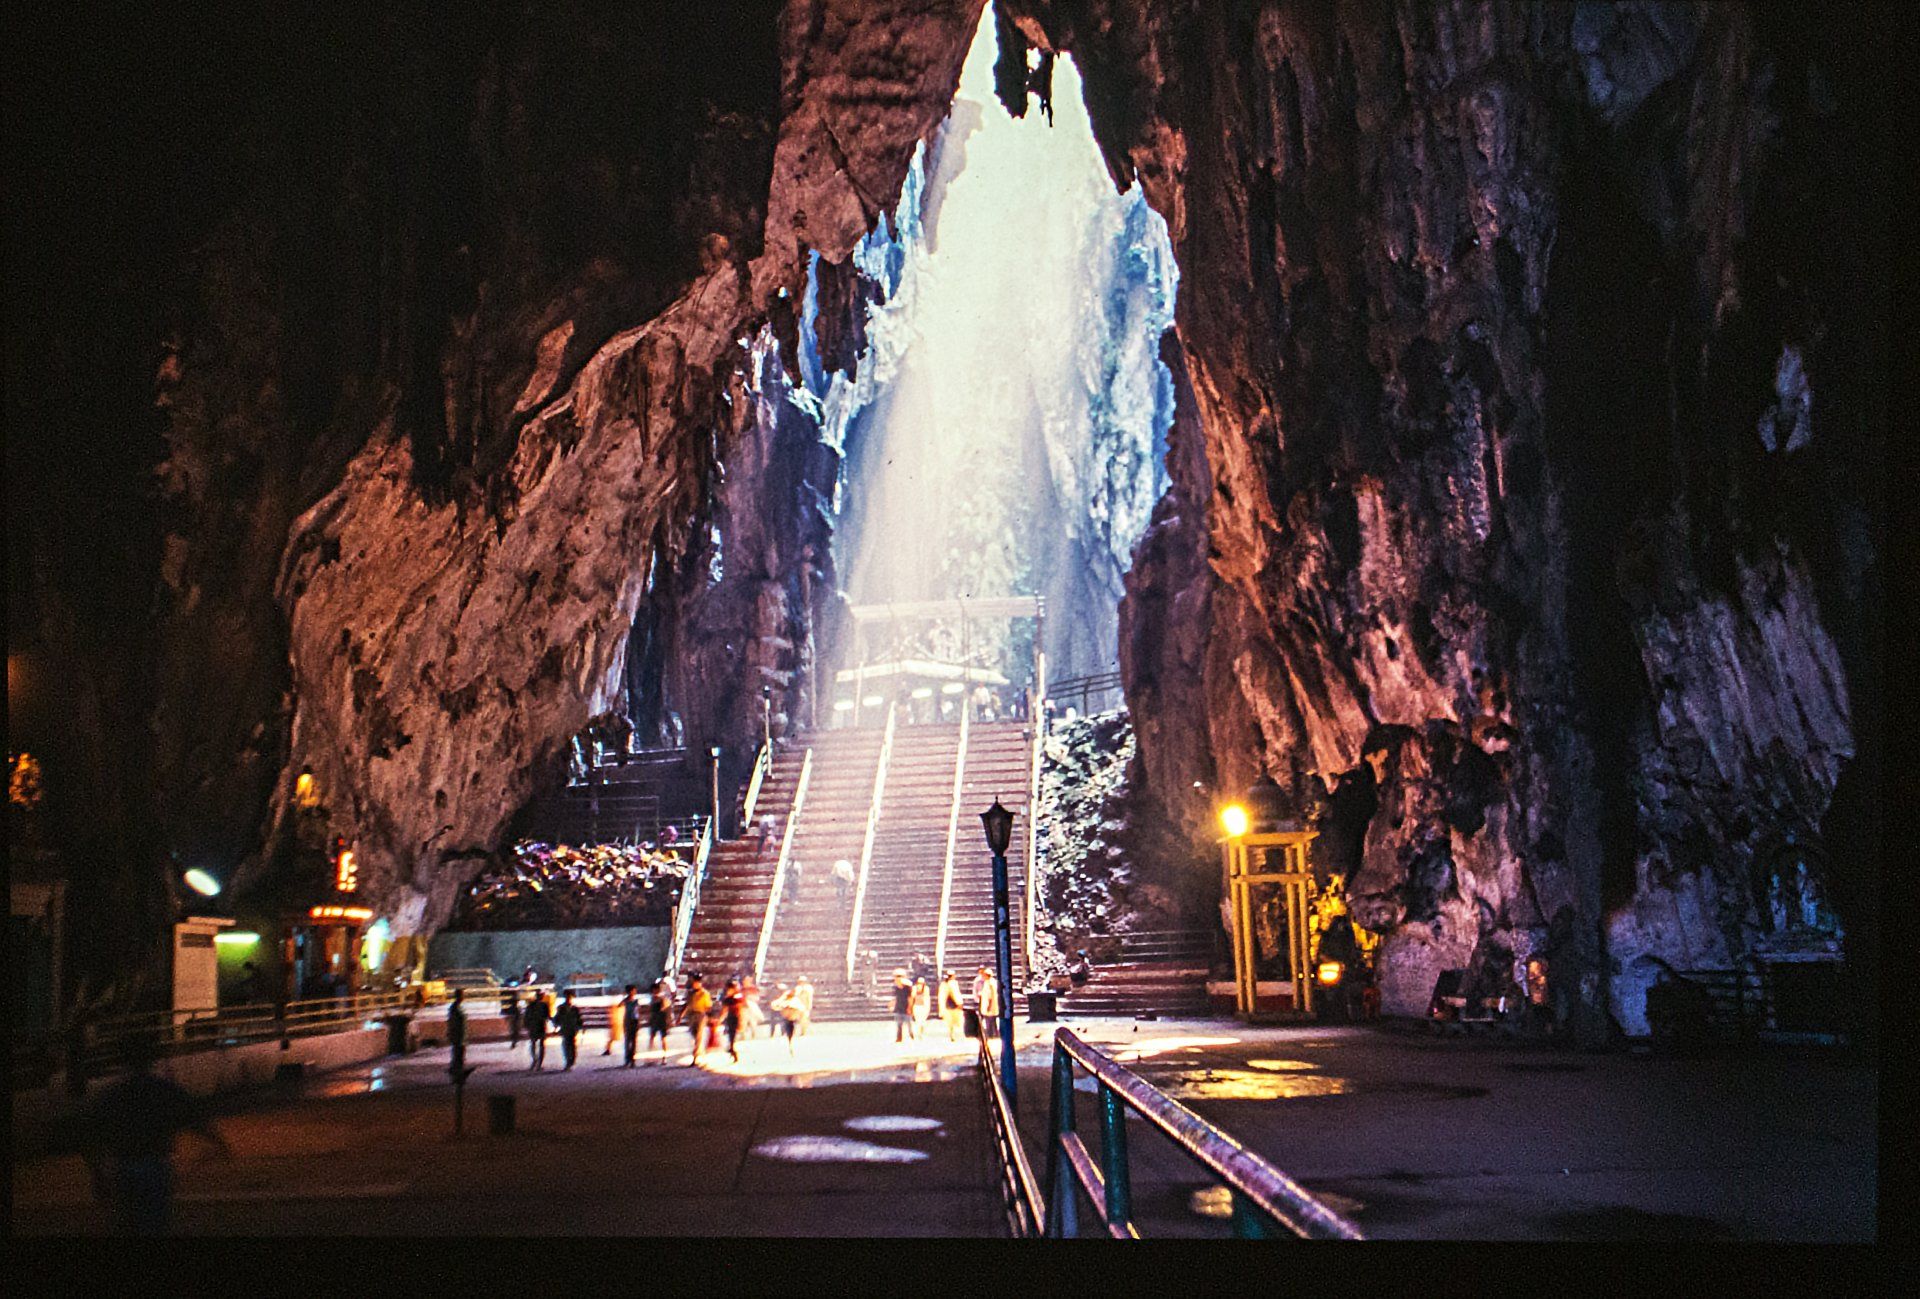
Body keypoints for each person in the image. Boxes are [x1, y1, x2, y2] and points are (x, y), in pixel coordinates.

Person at [69, 1036, 231, 1234]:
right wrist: (218, 1142)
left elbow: (89, 1135)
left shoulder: (112, 1094)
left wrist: (97, 1174)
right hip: (155, 1166)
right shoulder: (163, 1090)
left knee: (126, 1224)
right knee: (154, 1224)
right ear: (151, 1059)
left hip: (124, 1167)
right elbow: (197, 1120)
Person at [682, 977, 714, 1066]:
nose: (695, 985)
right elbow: (687, 1005)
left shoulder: (705, 993)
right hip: (692, 1015)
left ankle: (695, 1057)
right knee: (694, 1034)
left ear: (700, 984)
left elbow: (708, 1006)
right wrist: (681, 1016)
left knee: (698, 1036)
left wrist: (710, 1017)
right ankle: (701, 1052)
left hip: (701, 1015)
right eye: (694, 983)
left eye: (696, 983)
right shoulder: (690, 994)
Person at [523, 988, 551, 1070]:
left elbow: (527, 1016)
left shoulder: (533, 1005)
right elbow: (547, 1016)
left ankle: (536, 1061)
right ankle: (537, 1062)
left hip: (536, 1026)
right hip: (538, 1026)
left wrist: (526, 1025)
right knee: (539, 1044)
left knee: (535, 1044)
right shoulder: (542, 1005)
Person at [555, 991, 584, 1070]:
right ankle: (568, 1061)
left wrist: (580, 1026)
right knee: (566, 1045)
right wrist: (556, 1025)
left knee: (572, 1045)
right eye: (567, 997)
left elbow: (579, 1018)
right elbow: (557, 1017)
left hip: (572, 1029)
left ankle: (571, 1060)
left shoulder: (575, 1008)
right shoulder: (561, 1008)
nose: (568, 999)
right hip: (565, 1028)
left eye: (570, 997)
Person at [721, 979, 747, 1063]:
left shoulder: (737, 997)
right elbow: (725, 1010)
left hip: (737, 1018)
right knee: (731, 1035)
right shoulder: (729, 998)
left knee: (734, 1036)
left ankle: (733, 1049)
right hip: (731, 1018)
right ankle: (732, 1049)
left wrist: (741, 1020)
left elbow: (741, 1009)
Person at [447, 989, 469, 1080]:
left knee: (459, 1054)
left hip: (461, 1034)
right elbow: (453, 1022)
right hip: (457, 1034)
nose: (463, 997)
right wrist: (452, 1033)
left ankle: (457, 1071)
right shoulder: (455, 1008)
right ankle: (456, 1072)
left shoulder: (458, 1007)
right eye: (462, 995)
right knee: (458, 1054)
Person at [648, 979, 673, 1057]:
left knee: (663, 1038)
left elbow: (665, 1008)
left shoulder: (662, 998)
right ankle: (651, 1053)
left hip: (661, 1020)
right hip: (655, 1020)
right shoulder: (652, 999)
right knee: (652, 1037)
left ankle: (664, 1054)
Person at [618, 985, 642, 1067]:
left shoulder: (636, 1001)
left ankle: (632, 1059)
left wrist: (639, 1021)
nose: (635, 992)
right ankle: (628, 1059)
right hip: (628, 1021)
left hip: (634, 1021)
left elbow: (638, 1011)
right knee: (628, 1041)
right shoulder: (626, 1000)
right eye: (633, 990)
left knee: (633, 1041)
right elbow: (619, 1005)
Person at [939, 971, 965, 1042]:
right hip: (952, 1005)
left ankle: (953, 1035)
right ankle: (954, 1036)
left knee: (953, 1023)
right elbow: (955, 994)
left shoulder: (947, 984)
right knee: (954, 1022)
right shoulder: (949, 984)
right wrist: (959, 1003)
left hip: (950, 1005)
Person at [975, 966, 1000, 1039]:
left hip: (990, 1005)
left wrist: (989, 1005)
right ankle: (993, 1033)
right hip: (988, 1003)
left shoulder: (991, 983)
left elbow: (990, 995)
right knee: (991, 1020)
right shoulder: (987, 982)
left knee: (990, 1021)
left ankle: (991, 1034)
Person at [890, 970, 914, 1043]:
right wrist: (892, 1005)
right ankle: (899, 1038)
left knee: (909, 1024)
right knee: (899, 1024)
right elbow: (895, 997)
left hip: (906, 1007)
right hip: (898, 1007)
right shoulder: (895, 987)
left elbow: (910, 998)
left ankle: (912, 1036)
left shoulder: (907, 987)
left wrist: (909, 1008)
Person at [793, 974, 814, 1039]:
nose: (801, 982)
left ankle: (803, 1031)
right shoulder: (797, 988)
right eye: (800, 981)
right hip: (799, 1005)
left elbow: (810, 997)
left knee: (804, 1019)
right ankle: (798, 1031)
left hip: (805, 1005)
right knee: (799, 1019)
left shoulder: (809, 988)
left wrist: (809, 1006)